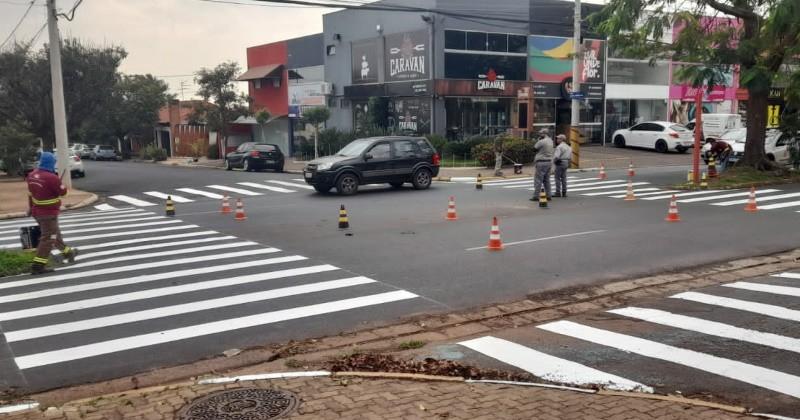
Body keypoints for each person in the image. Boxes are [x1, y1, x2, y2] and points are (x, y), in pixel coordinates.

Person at [26, 151, 79, 275]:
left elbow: (30, 194)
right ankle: (38, 266)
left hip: (37, 211)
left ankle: (68, 253)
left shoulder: (32, 175)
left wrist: (30, 207)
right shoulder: (52, 178)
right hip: (48, 213)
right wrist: (60, 184)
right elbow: (64, 193)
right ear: (51, 163)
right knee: (48, 238)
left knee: (55, 233)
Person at [530, 128, 554, 202]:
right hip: (549, 162)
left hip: (541, 162)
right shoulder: (551, 141)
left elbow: (534, 149)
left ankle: (536, 196)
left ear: (544, 134)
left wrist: (538, 140)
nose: (540, 135)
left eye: (541, 134)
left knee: (538, 180)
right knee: (547, 180)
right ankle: (548, 195)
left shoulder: (541, 141)